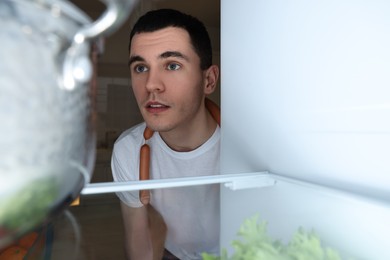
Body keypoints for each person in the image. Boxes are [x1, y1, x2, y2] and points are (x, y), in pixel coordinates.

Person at [111, 9, 220, 260]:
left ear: (209, 80)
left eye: (172, 65)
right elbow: (139, 247)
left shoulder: (247, 147)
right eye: (140, 67)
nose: (151, 84)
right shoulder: (129, 150)